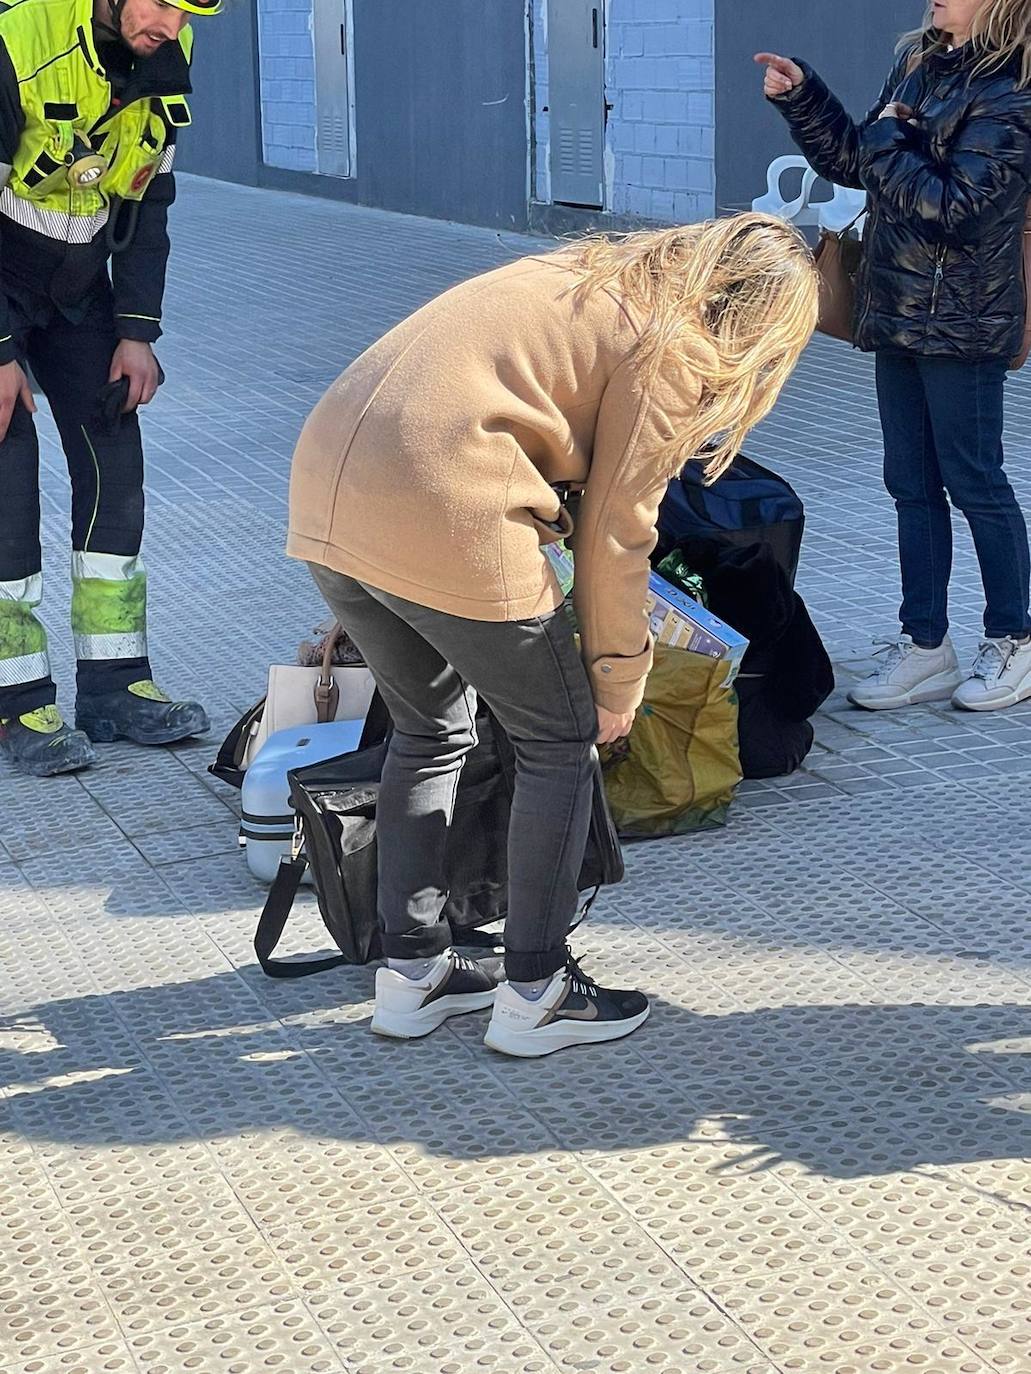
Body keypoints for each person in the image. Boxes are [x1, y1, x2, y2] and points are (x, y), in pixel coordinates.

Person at [288, 214, 819, 1058]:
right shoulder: (669, 341)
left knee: (428, 735)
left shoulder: (579, 272)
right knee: (559, 739)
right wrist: (617, 679)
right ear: (756, 318)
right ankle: (535, 991)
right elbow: (616, 531)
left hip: (326, 492)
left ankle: (411, 975)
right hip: (446, 502)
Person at [757, 0, 1031, 713]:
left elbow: (959, 208)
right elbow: (858, 162)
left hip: (964, 318)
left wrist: (887, 141)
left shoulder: (1014, 84)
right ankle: (924, 646)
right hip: (896, 307)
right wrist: (804, 98)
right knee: (909, 481)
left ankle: (1012, 639)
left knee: (974, 481)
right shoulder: (917, 61)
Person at [0, 0, 222, 778]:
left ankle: (114, 684)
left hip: (80, 296)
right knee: (8, 480)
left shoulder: (166, 52)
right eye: (158, 2)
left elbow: (148, 200)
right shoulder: (17, 35)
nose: (170, 22)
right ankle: (16, 701)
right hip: (1, 291)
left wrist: (136, 331)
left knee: (113, 464)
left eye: (189, 9)